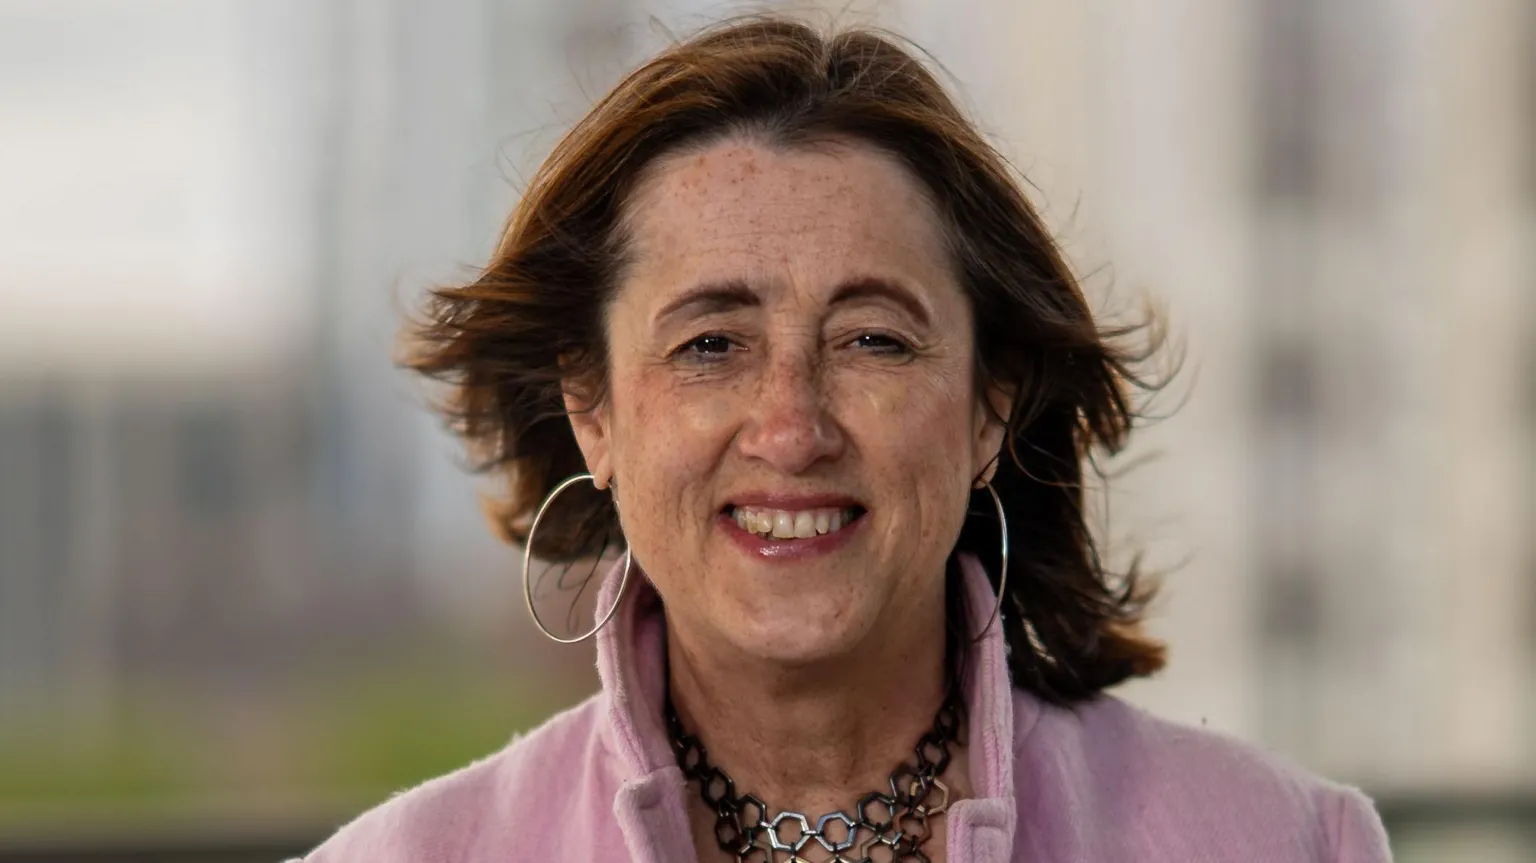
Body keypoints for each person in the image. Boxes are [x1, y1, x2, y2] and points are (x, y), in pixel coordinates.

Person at [294, 15, 1392, 863]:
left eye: (873, 338)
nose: (792, 426)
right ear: (594, 409)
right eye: (711, 344)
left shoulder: (1283, 840)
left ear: (989, 404)